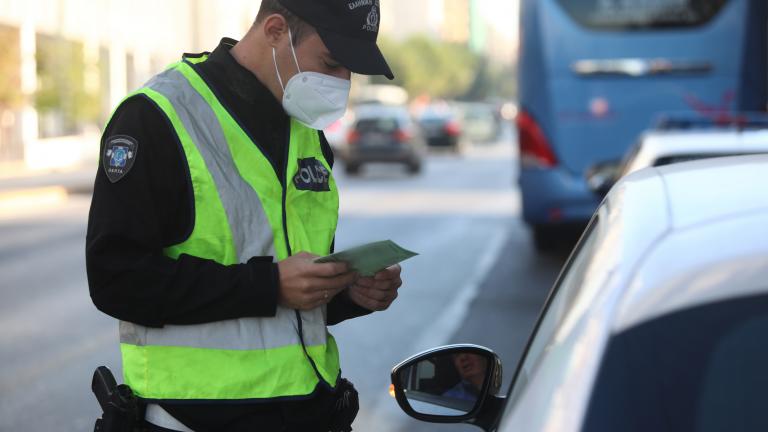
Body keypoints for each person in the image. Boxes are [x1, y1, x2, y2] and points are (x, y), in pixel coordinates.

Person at [86, 1, 401, 431]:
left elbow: (293, 297)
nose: (342, 82)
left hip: (309, 412)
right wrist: (269, 285)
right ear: (275, 30)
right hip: (194, 419)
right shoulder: (158, 116)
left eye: (350, 70)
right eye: (331, 63)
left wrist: (347, 295)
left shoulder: (306, 131)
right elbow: (116, 280)